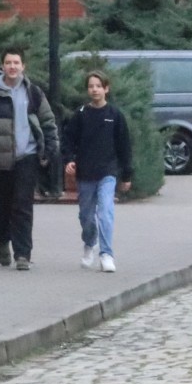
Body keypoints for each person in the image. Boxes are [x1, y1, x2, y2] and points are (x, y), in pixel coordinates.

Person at [0, 49, 59, 272]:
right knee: (0, 207)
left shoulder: (33, 92)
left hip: (27, 156)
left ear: (23, 66)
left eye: (16, 62)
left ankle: (23, 253)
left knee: (23, 205)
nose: (12, 66)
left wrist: (50, 150)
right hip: (0, 160)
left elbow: (48, 121)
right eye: (8, 62)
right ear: (2, 66)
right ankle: (2, 240)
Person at [62, 69, 133, 274]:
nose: (94, 90)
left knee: (105, 212)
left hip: (107, 172)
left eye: (98, 86)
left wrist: (126, 175)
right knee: (86, 216)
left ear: (106, 89)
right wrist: (69, 160)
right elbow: (68, 140)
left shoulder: (115, 116)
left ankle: (106, 254)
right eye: (91, 86)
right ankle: (89, 242)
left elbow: (124, 147)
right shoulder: (81, 115)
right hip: (85, 172)